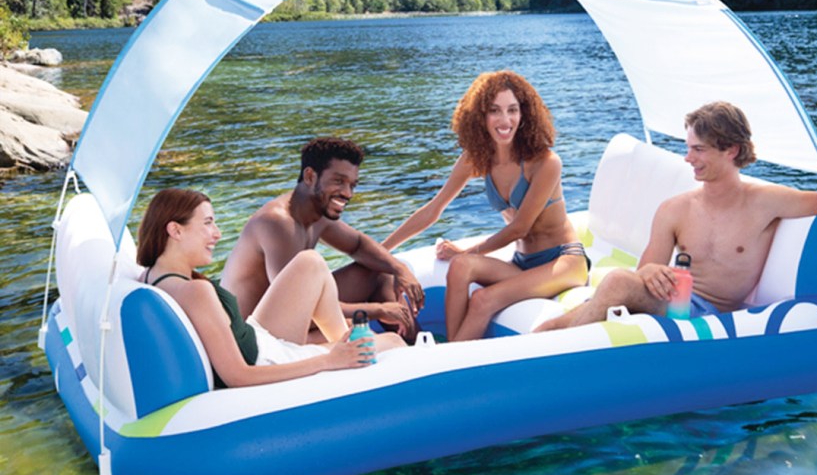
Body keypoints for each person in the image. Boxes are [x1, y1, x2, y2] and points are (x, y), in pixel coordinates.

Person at [535, 101, 817, 337]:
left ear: (730, 150)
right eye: (688, 148)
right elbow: (644, 272)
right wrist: (652, 273)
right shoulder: (675, 208)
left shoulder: (766, 202)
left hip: (712, 316)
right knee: (590, 301)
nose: (688, 158)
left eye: (698, 149)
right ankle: (545, 339)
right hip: (671, 300)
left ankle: (555, 351)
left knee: (612, 286)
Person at [382, 70, 589, 341]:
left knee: (482, 299)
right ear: (481, 116)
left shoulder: (546, 162)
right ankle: (454, 351)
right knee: (460, 267)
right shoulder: (476, 158)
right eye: (495, 111)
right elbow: (434, 209)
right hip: (521, 263)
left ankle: (451, 360)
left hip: (563, 262)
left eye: (512, 110)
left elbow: (519, 228)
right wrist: (381, 252)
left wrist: (466, 251)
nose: (505, 120)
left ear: (524, 114)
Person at [136, 188, 405, 388]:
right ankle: (348, 355)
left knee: (310, 262)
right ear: (175, 230)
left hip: (257, 336)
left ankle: (347, 345)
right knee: (394, 341)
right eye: (208, 223)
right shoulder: (195, 292)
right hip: (267, 358)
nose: (217, 233)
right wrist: (329, 361)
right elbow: (238, 376)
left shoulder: (153, 276)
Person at [220, 137, 424, 342]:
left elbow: (359, 246)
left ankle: (422, 348)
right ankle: (412, 351)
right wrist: (378, 310)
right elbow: (294, 305)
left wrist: (400, 269)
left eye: (352, 185)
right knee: (354, 326)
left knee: (379, 272)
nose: (347, 193)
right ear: (310, 176)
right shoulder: (277, 223)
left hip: (293, 315)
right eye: (338, 181)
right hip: (260, 337)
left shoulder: (317, 214)